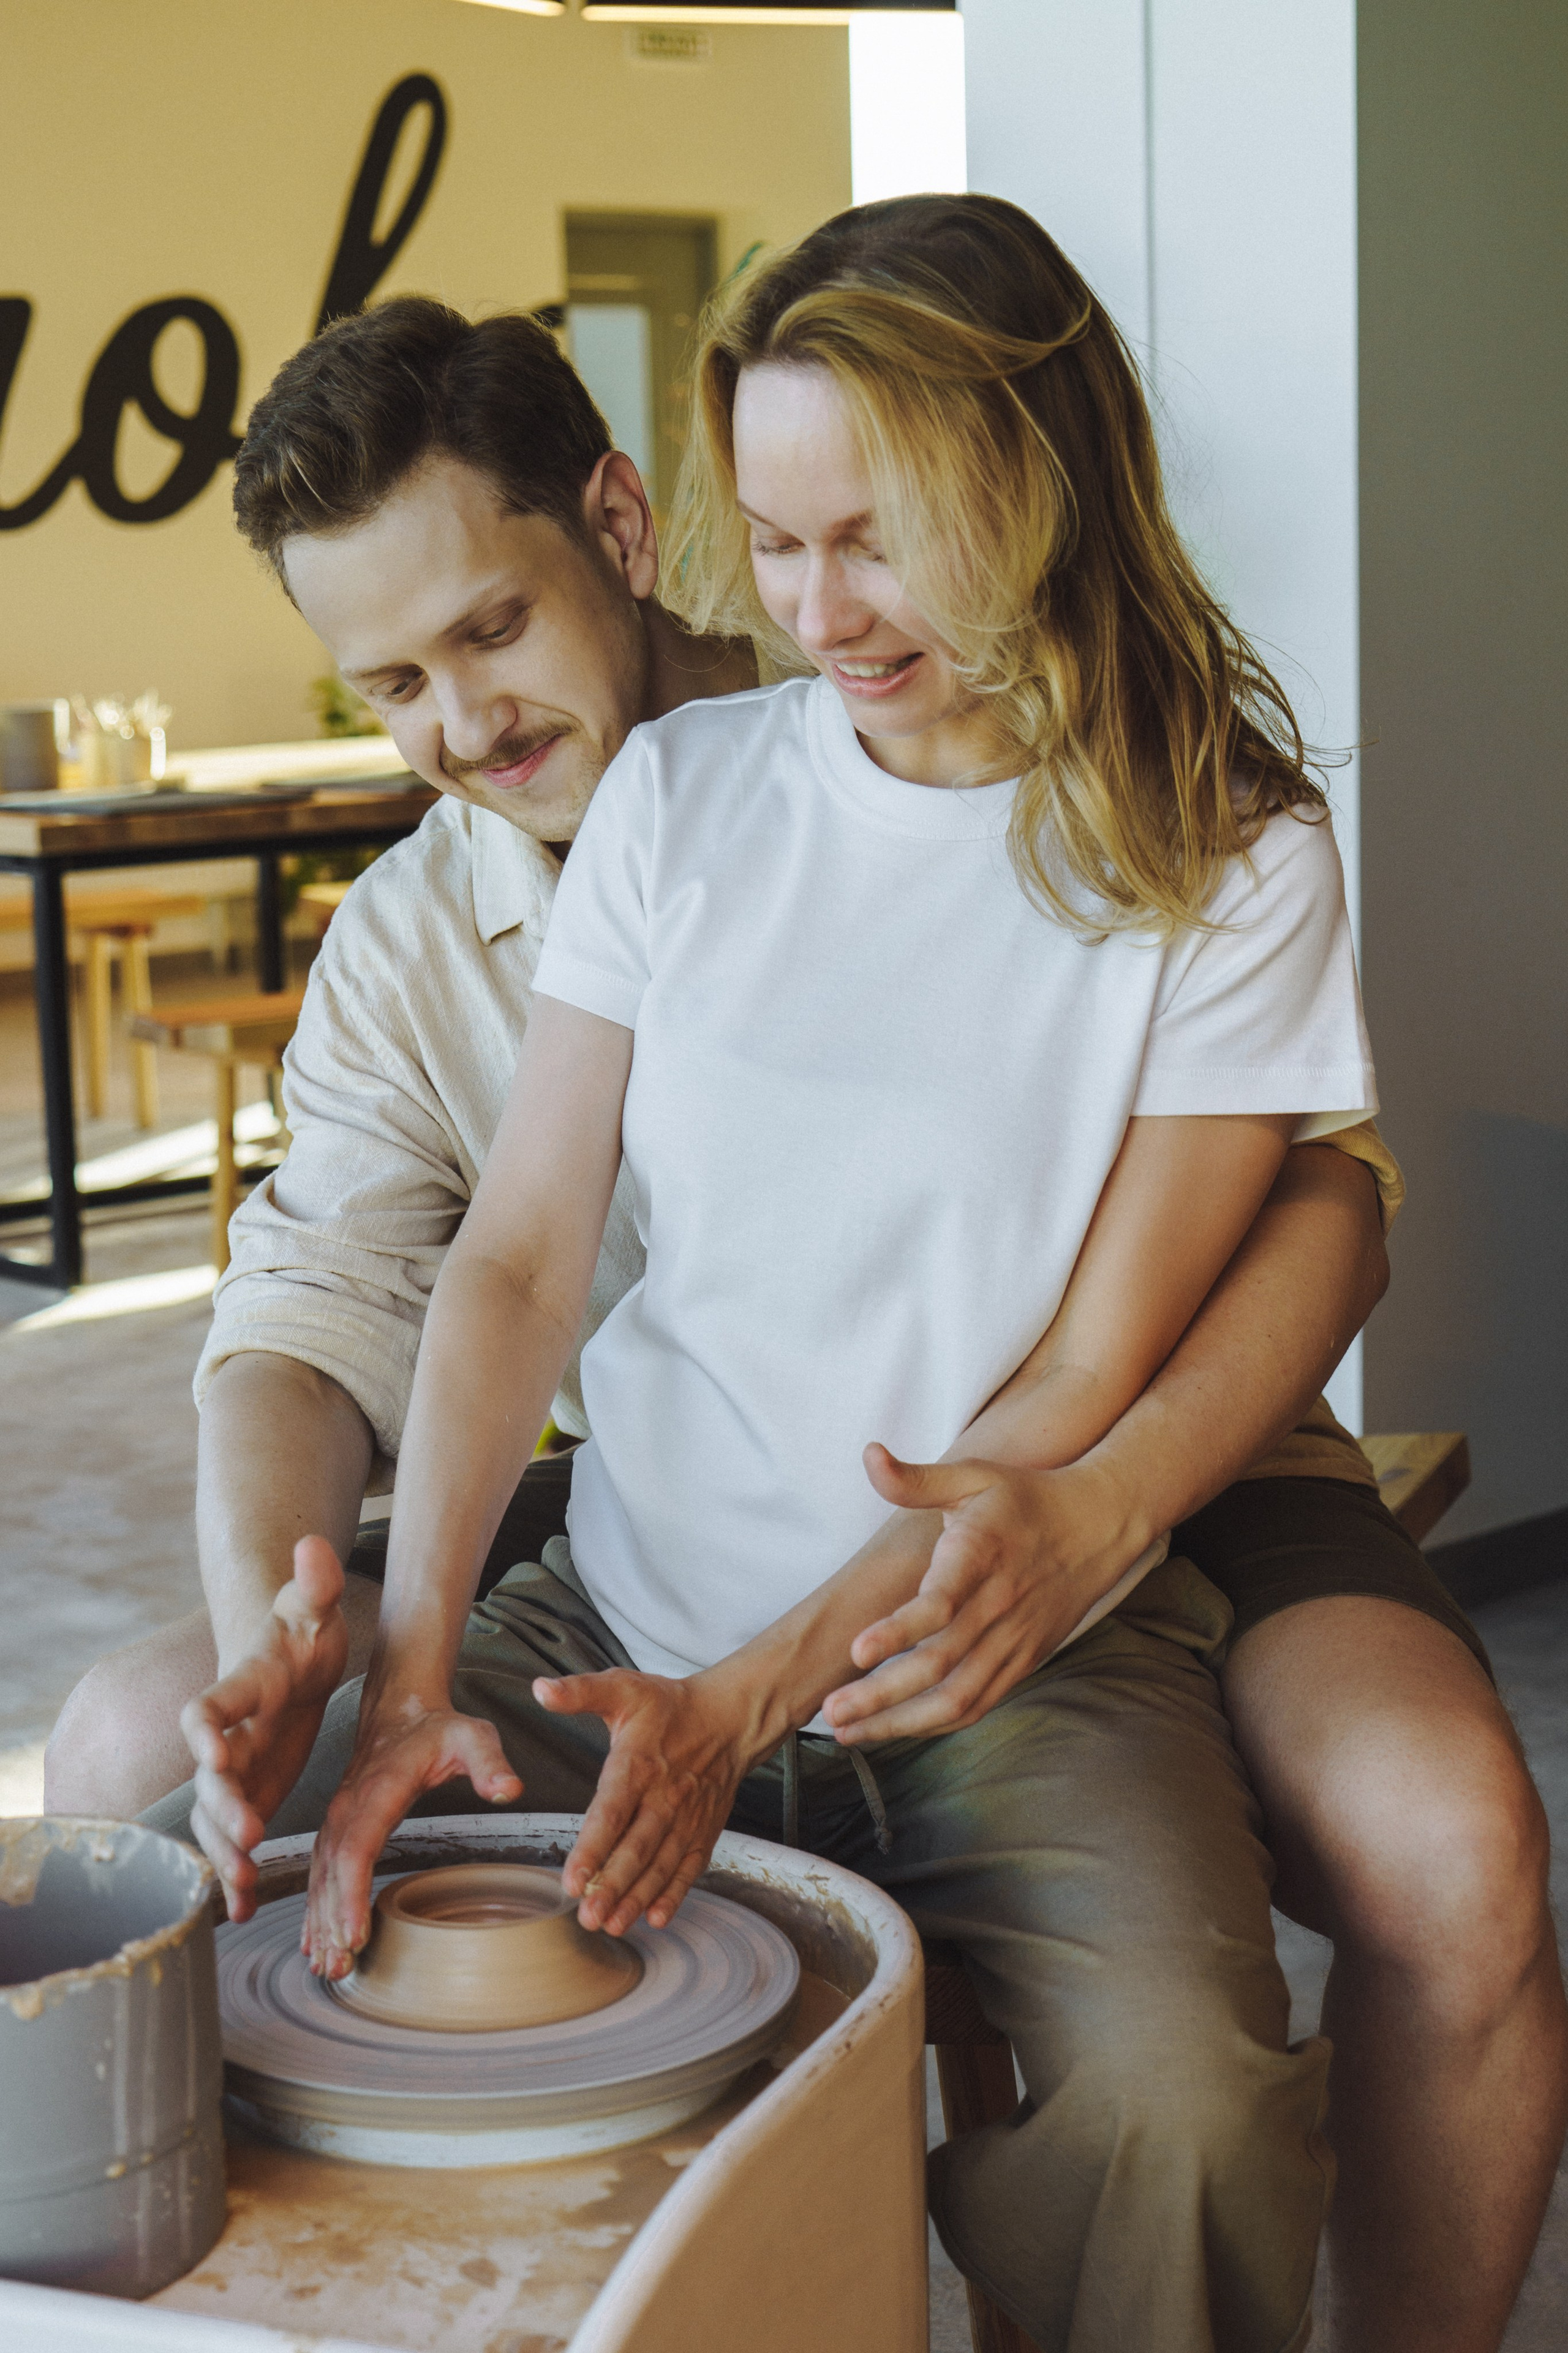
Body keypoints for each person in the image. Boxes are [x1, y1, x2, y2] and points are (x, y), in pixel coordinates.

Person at [48, 222, 1561, 2347]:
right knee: (217, 1891)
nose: (822, 610)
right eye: (785, 545)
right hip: (657, 1572)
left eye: (491, 628)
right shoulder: (652, 809)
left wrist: (778, 1681)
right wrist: (384, 1658)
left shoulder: (1190, 830)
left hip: (1053, 1557)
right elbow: (457, 1273)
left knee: (1190, 2078)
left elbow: (1217, 1287)